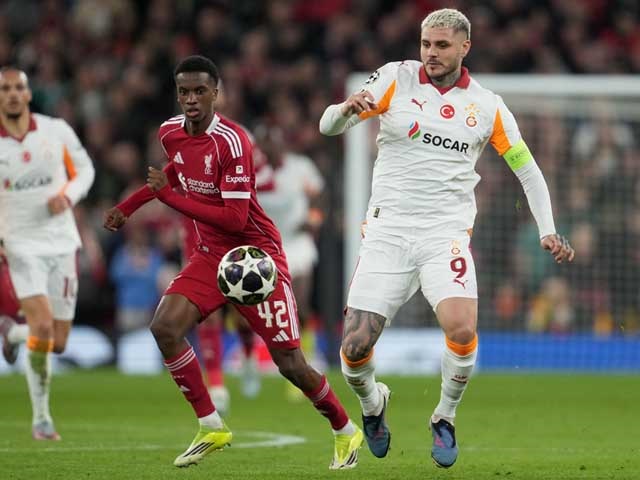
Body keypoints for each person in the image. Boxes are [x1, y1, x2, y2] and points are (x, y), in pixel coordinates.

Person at [319, 8, 575, 469]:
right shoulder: (395, 79)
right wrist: (344, 111)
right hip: (388, 232)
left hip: (445, 235)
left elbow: (527, 169)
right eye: (425, 44)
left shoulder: (487, 106)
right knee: (353, 349)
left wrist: (548, 229)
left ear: (464, 47)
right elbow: (327, 127)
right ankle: (374, 404)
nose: (430, 53)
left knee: (461, 328)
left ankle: (444, 417)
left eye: (441, 45)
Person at [103, 55, 363, 469]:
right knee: (165, 327)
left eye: (200, 91)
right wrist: (128, 207)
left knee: (290, 363)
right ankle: (211, 425)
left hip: (256, 257)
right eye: (184, 91)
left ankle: (345, 429)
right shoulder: (169, 133)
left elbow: (235, 219)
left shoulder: (234, 142)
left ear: (216, 93)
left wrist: (170, 199)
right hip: (210, 254)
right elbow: (175, 172)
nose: (192, 99)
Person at [0, 66, 95, 440]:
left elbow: (85, 170)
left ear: (28, 94)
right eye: (5, 88)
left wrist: (67, 196)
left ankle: (12, 332)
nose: (12, 94)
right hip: (20, 244)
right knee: (41, 326)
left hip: (62, 242)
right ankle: (41, 418)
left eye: (17, 88)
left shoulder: (56, 131)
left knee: (58, 341)